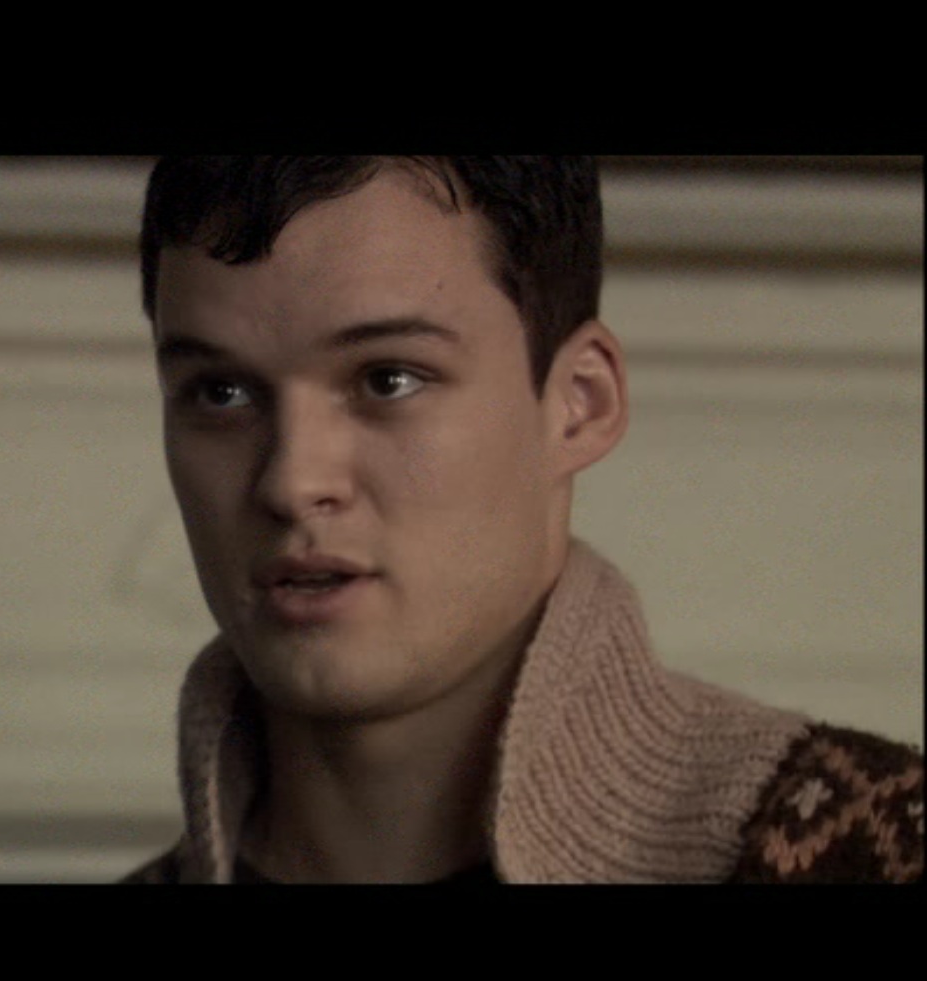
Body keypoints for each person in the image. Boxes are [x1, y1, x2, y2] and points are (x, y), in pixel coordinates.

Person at [124, 156, 923, 884]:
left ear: (580, 405)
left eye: (389, 379)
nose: (293, 482)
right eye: (219, 393)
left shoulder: (878, 855)